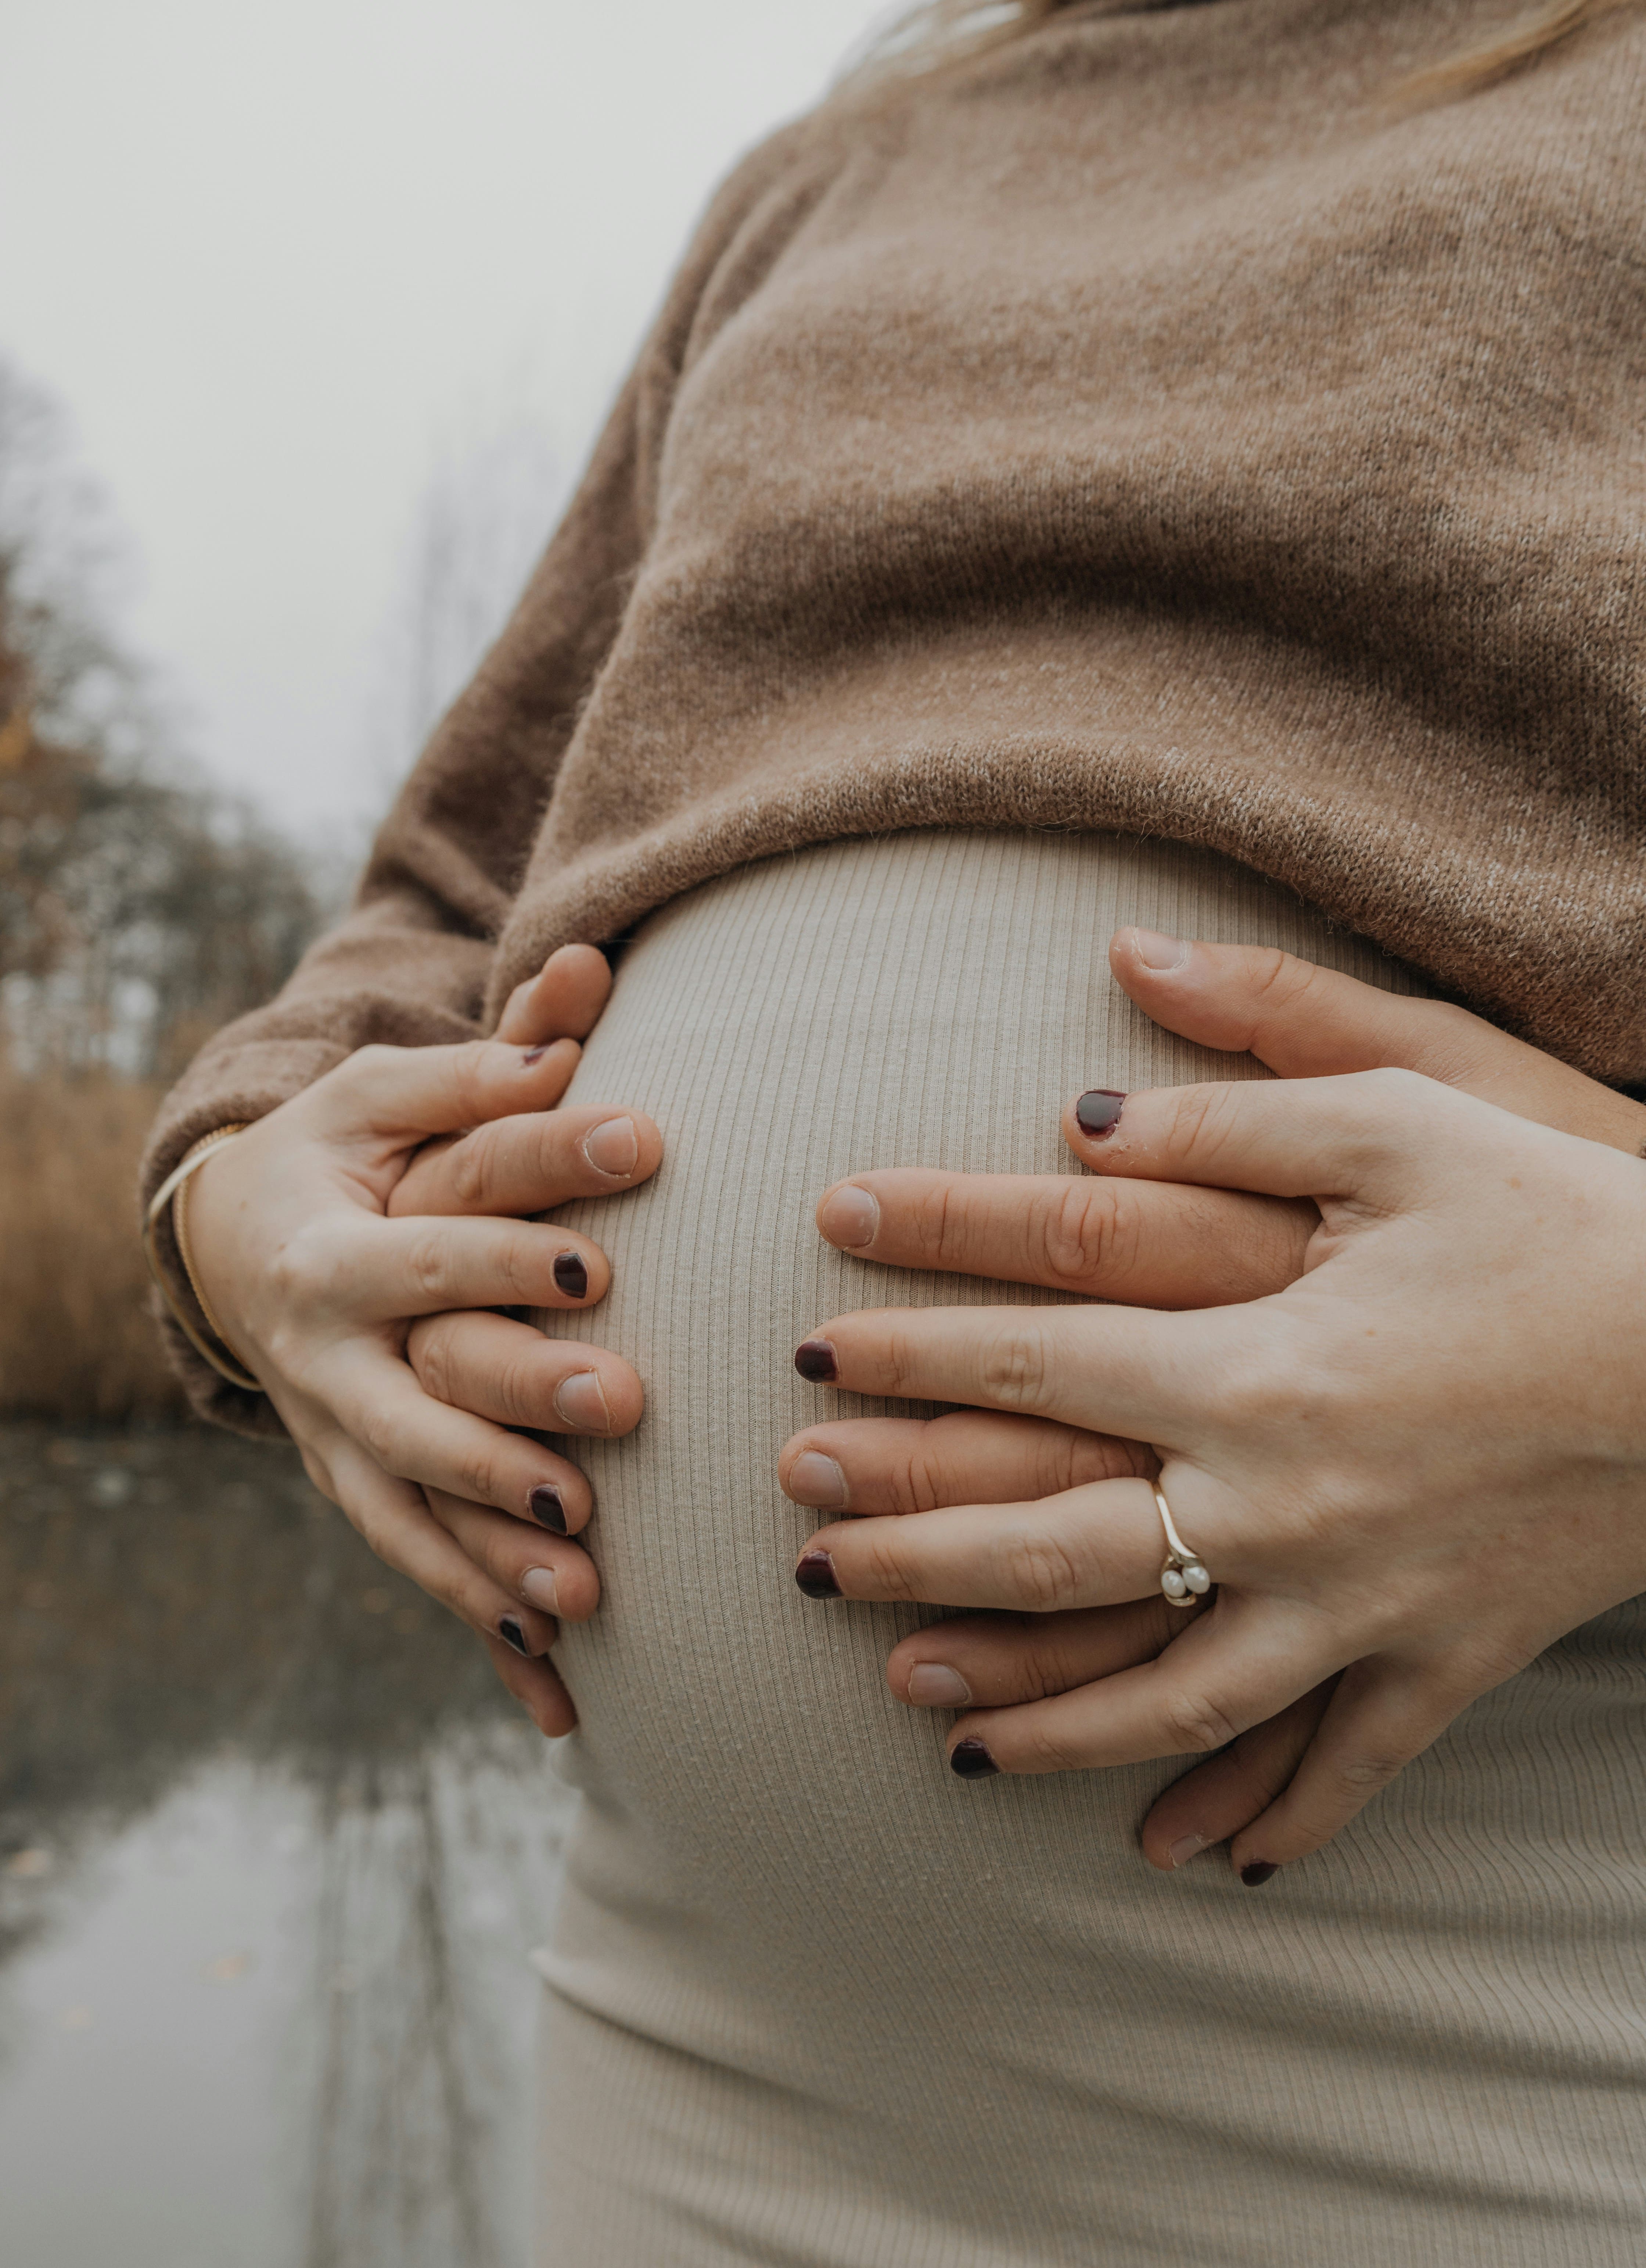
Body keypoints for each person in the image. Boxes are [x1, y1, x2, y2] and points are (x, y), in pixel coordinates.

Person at [142, 2, 1646, 2260]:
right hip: (706, 2057)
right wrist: (233, 1204)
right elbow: (453, 886)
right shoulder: (832, 171)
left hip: (1503, 2027)